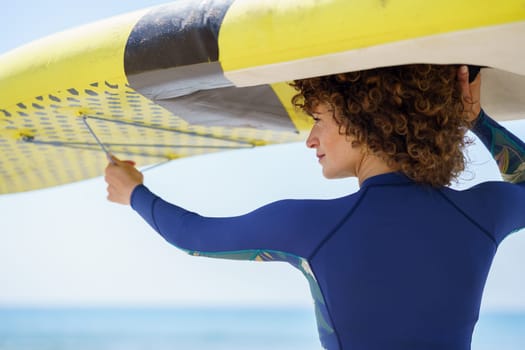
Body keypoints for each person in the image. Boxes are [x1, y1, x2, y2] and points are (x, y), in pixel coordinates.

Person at [104, 65, 525, 350]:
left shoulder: (311, 226)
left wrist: (133, 193)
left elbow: (193, 237)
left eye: (319, 120)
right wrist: (476, 120)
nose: (310, 139)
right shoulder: (479, 214)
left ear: (364, 121)